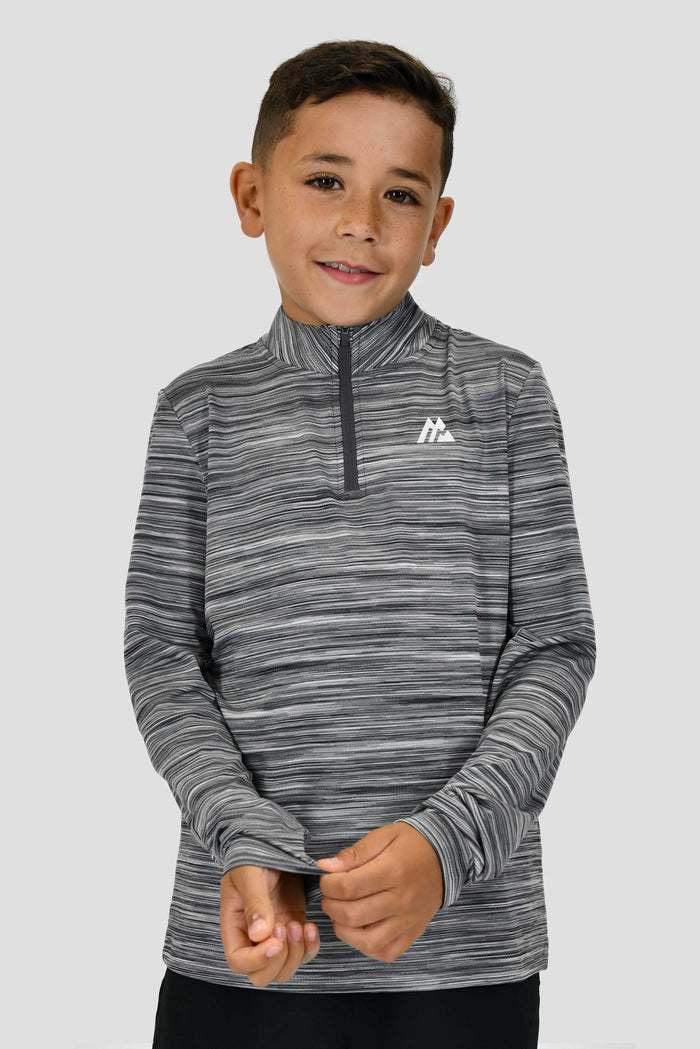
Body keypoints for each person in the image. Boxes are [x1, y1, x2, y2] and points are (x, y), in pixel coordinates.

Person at [123, 38, 596, 1049]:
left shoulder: (504, 392)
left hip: (465, 956)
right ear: (252, 195)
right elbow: (162, 652)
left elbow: (554, 646)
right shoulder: (197, 410)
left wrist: (443, 846)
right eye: (326, 180)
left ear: (438, 226)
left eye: (400, 194)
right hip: (247, 943)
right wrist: (244, 836)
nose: (360, 222)